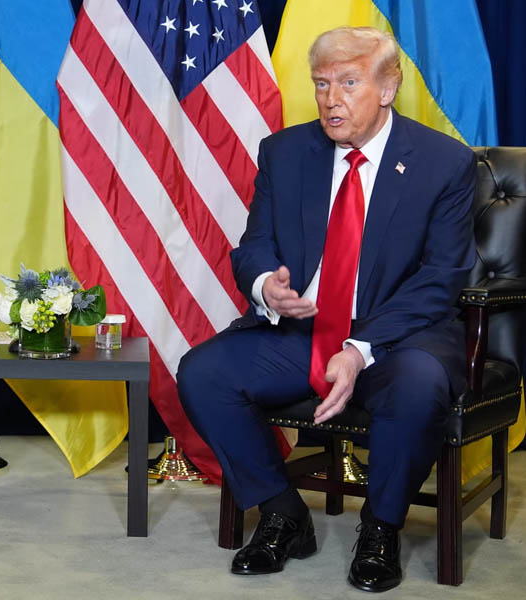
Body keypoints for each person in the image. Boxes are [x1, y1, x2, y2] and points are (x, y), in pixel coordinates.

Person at [177, 26, 476, 593]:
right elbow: (253, 245)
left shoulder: (444, 163)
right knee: (203, 372)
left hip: (396, 340)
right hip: (304, 331)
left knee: (418, 386)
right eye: (320, 85)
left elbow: (442, 279)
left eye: (348, 83)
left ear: (388, 87)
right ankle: (282, 514)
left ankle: (381, 529)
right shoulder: (286, 152)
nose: (330, 100)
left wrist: (360, 350)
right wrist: (268, 285)